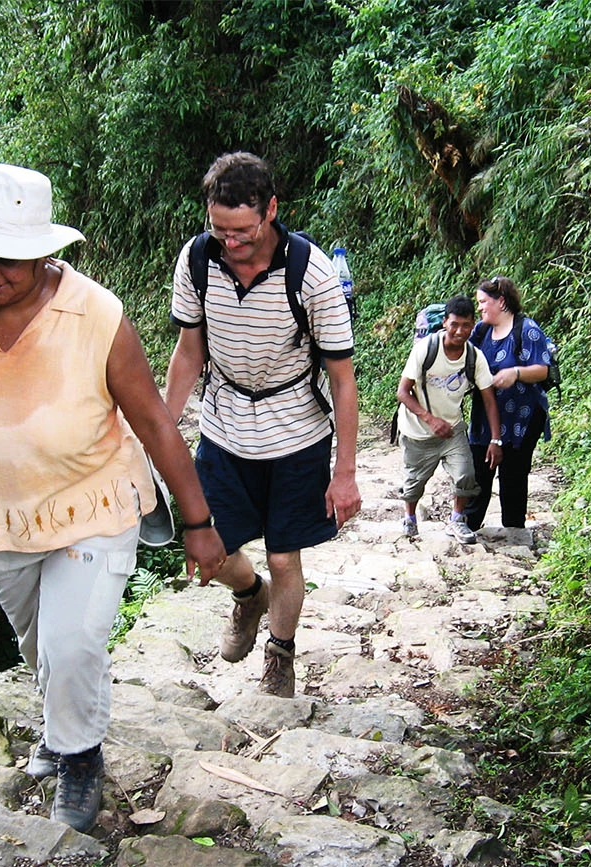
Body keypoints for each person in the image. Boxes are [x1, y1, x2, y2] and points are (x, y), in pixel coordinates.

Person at [0, 163, 224, 833]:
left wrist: (197, 521)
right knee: (41, 650)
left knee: (74, 642)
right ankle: (64, 727)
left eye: (6, 259)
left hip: (96, 503)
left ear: (44, 252)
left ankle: (79, 757)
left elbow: (155, 423)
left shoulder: (95, 316)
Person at [164, 152, 360, 698]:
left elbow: (343, 379)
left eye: (243, 230)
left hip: (296, 434)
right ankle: (250, 595)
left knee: (284, 553)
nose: (231, 242)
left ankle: (280, 654)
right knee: (208, 550)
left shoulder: (311, 273)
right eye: (219, 229)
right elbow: (187, 352)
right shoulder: (198, 261)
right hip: (224, 430)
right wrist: (161, 427)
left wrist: (344, 472)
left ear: (272, 210)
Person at [394, 294, 501, 543]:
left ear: (473, 325)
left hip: (452, 430)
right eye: (454, 324)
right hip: (417, 431)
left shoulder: (474, 357)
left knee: (466, 474)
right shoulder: (426, 350)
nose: (460, 331)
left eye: (466, 325)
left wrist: (496, 440)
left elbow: (488, 399)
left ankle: (456, 519)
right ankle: (409, 518)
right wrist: (430, 419)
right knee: (414, 483)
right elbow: (402, 392)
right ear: (444, 322)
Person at [467, 275, 554, 532]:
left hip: (522, 416)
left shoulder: (527, 329)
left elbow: (542, 369)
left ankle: (514, 530)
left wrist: (515, 373)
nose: (480, 307)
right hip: (487, 415)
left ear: (501, 301)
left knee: (513, 474)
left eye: (484, 302)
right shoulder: (481, 331)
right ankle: (470, 526)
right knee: (479, 470)